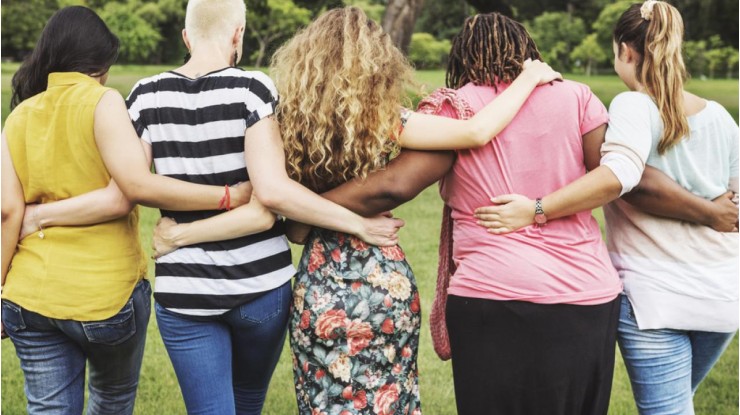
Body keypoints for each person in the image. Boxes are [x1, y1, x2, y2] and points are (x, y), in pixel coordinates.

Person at [150, 6, 561, 414]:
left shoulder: (286, 123)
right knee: (389, 399)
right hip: (383, 282)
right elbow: (475, 131)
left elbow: (279, 207)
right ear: (377, 62)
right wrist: (529, 76)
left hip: (320, 287)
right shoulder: (384, 120)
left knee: (325, 402)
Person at [4, 2, 405, 415]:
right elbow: (272, 192)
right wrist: (358, 223)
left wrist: (177, 233)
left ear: (185, 37)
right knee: (247, 401)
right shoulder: (254, 89)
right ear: (239, 34)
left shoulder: (144, 95)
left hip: (185, 291)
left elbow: (133, 185)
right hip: (260, 286)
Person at [474, 2, 738, 414]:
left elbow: (619, 175)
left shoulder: (633, 106)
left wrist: (537, 209)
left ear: (625, 52)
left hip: (655, 298)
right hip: (722, 296)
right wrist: (710, 211)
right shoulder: (721, 117)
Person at [0, 6, 253, 414]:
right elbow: (128, 192)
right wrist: (227, 196)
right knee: (112, 400)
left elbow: (9, 214)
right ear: (99, 62)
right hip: (106, 296)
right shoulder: (103, 103)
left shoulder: (18, 116)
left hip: (28, 297)